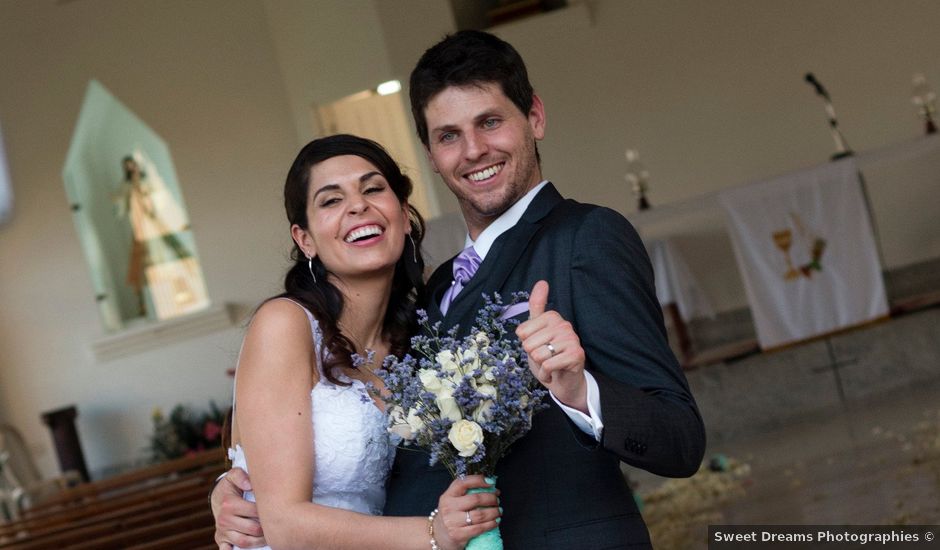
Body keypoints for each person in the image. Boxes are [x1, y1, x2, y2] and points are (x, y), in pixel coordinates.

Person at [214, 31, 706, 549]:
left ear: (534, 117)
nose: (473, 150)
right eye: (449, 135)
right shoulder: (431, 295)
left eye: (490, 122)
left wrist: (580, 390)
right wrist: (234, 490)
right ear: (429, 154)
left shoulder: (585, 238)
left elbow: (679, 439)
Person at [220, 134, 500, 550]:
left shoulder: (419, 342)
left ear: (404, 215)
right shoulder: (284, 325)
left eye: (372, 189)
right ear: (305, 239)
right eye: (331, 200)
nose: (357, 205)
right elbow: (282, 523)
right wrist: (433, 532)